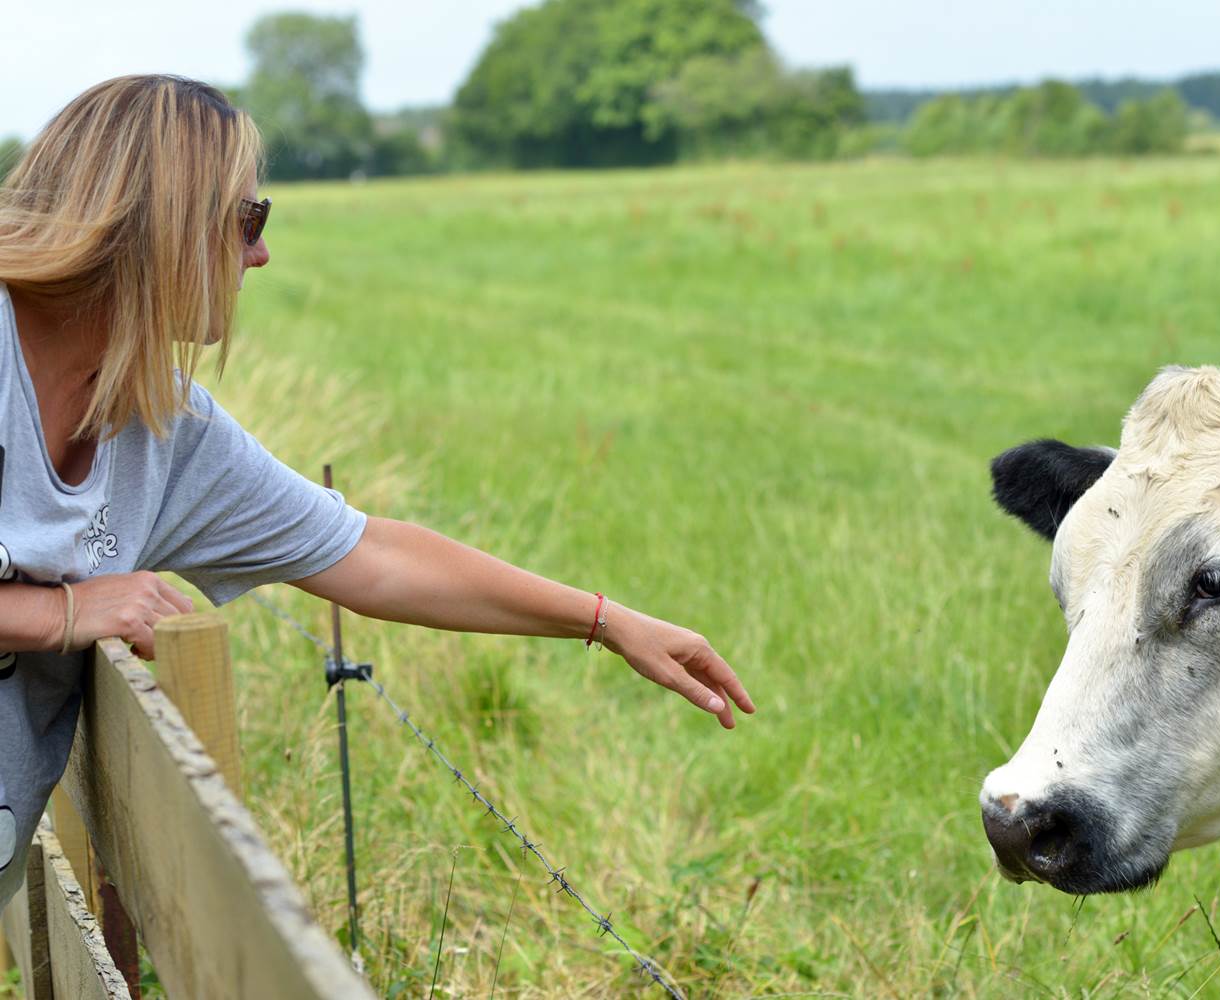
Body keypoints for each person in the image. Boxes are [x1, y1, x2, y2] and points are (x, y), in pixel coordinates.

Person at [0, 75, 755, 913]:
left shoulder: (161, 426)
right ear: (165, 221)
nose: (261, 255)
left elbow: (372, 554)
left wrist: (608, 621)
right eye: (249, 220)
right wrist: (62, 615)